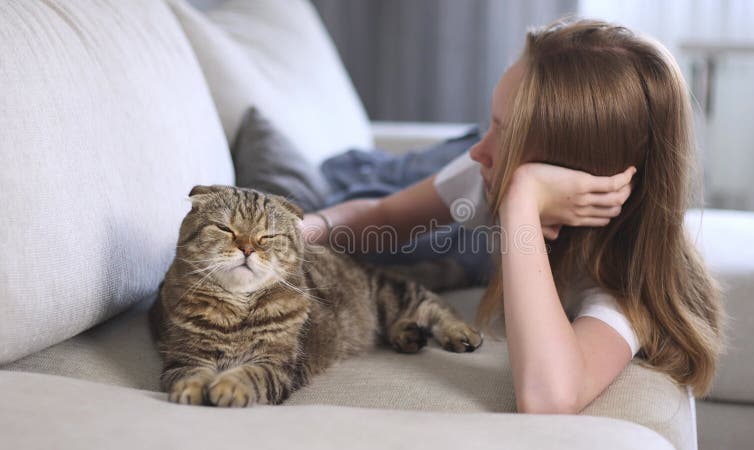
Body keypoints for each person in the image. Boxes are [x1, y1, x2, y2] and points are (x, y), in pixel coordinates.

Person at [301, 18, 724, 414]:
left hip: (493, 208)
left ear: (570, 164)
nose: (479, 151)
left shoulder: (629, 278)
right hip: (431, 176)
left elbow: (547, 397)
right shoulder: (487, 165)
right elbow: (382, 215)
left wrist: (522, 196)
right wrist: (296, 230)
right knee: (351, 180)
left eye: (503, 131)